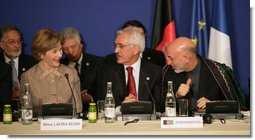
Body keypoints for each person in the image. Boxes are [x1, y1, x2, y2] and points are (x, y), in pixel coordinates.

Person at [163, 37, 246, 113]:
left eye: (171, 58)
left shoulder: (219, 72)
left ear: (186, 58)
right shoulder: (168, 71)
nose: (169, 62)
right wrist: (176, 95)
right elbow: (160, 105)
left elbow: (237, 106)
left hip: (214, 126)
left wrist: (212, 105)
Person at [20, 28, 82, 117]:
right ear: (41, 54)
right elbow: (25, 112)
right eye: (54, 51)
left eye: (60, 49)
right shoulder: (28, 77)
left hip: (67, 127)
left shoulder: (71, 73)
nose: (60, 54)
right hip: (38, 128)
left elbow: (78, 109)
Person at [98, 27, 163, 112]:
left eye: (121, 46)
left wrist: (139, 107)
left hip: (146, 123)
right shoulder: (107, 71)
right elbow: (102, 101)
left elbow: (159, 104)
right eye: (116, 46)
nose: (116, 50)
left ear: (135, 49)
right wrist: (122, 107)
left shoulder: (155, 72)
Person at [60, 27, 104, 118]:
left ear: (81, 45)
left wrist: (90, 98)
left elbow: (105, 90)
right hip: (68, 115)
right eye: (65, 49)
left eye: (73, 47)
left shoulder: (97, 63)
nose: (70, 52)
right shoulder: (60, 66)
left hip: (93, 113)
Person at [0, 26, 38, 112]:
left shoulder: (31, 62)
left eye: (19, 41)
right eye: (12, 42)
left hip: (27, 110)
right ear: (2, 45)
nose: (17, 45)